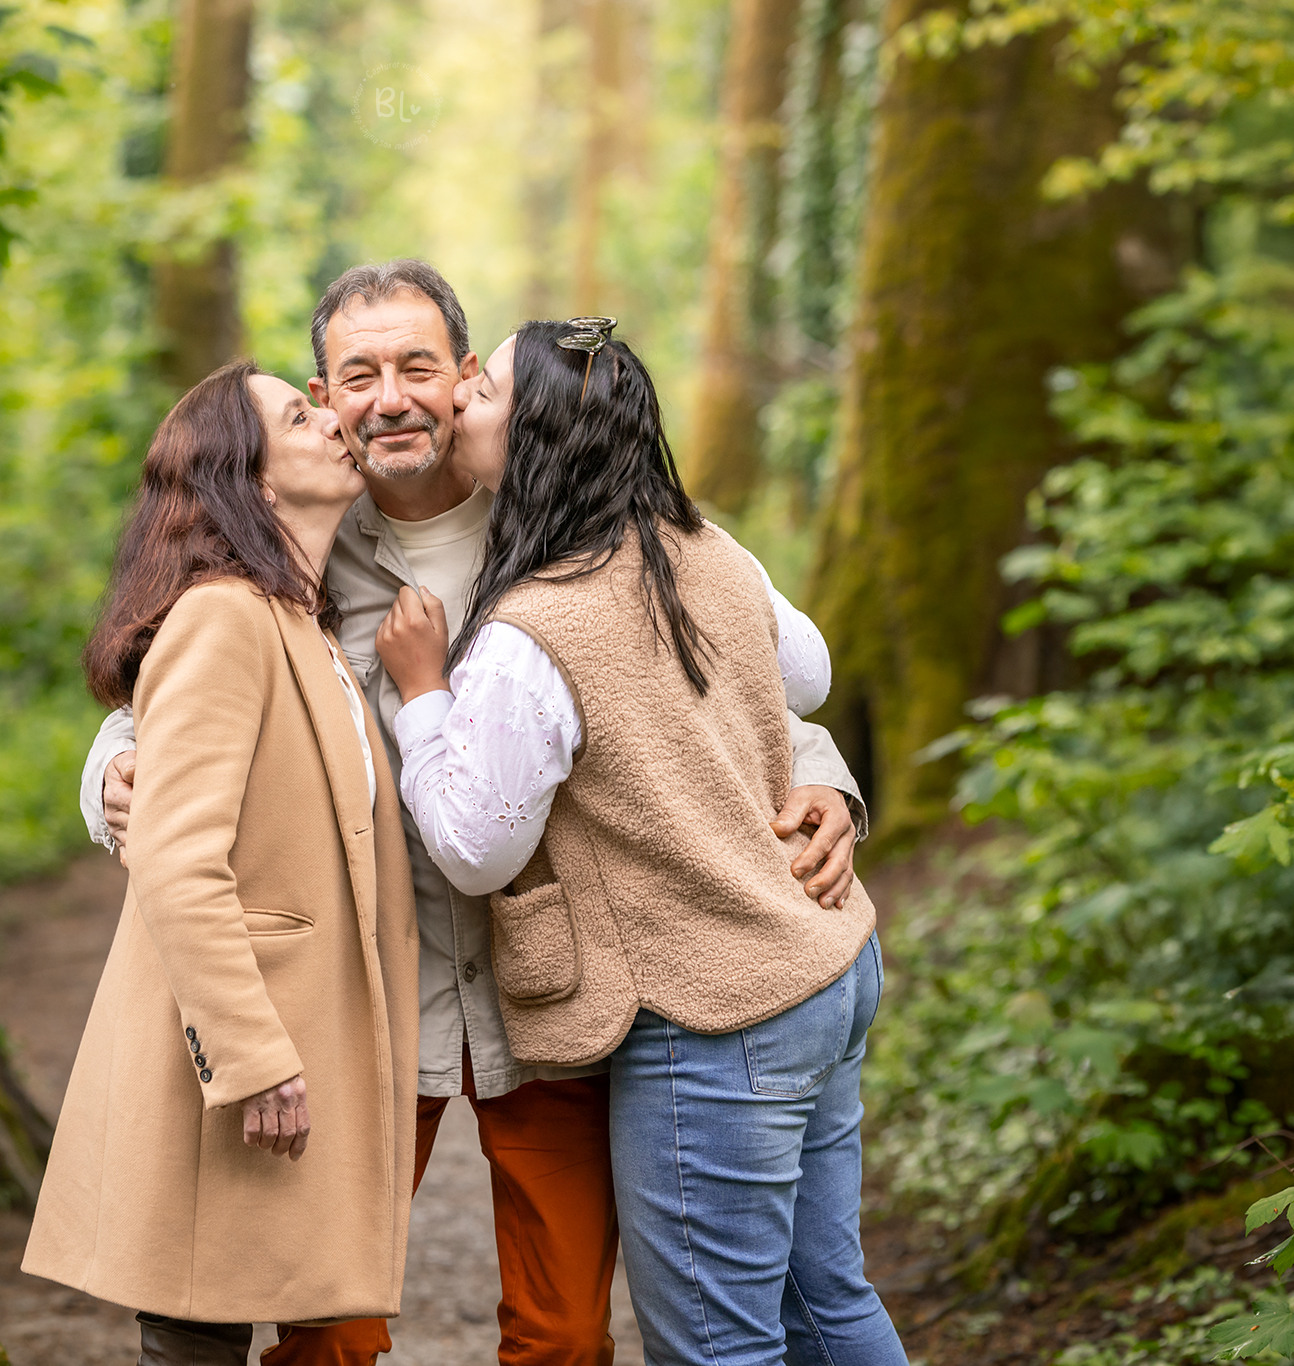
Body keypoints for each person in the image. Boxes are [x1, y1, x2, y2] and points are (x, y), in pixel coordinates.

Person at [81, 261, 868, 1366]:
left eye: (417, 366)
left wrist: (821, 771)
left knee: (561, 1335)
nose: (389, 397)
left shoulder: (557, 502)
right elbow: (167, 676)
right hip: (361, 998)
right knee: (329, 1326)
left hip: (551, 993)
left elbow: (714, 660)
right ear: (324, 393)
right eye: (355, 376)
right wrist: (108, 772)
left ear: (463, 378)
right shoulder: (295, 536)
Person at [376, 318, 907, 1366]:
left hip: (716, 1012)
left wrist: (421, 694)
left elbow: (473, 850)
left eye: (477, 390)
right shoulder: (700, 546)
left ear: (528, 437)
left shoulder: (532, 629)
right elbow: (804, 673)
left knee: (717, 1346)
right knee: (824, 1300)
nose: (451, 403)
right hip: (826, 963)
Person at [20, 361, 421, 1366]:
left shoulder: (300, 622)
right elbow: (175, 854)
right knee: (194, 1332)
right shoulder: (223, 616)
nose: (332, 418)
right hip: (240, 1051)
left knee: (219, 1319)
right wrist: (249, 1056)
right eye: (299, 413)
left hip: (292, 1045)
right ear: (253, 479)